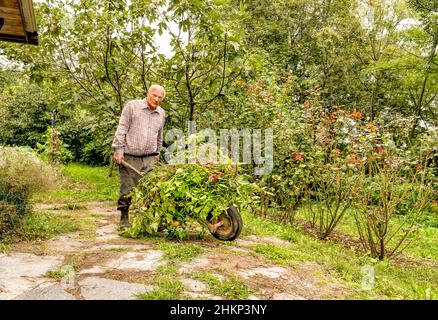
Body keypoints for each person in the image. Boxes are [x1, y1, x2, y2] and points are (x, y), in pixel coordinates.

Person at [112, 84, 166, 228]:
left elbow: (159, 136)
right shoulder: (132, 106)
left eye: (160, 98)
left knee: (152, 188)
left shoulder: (161, 113)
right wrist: (118, 149)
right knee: (127, 188)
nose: (156, 99)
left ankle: (150, 219)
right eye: (154, 95)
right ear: (148, 93)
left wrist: (157, 153)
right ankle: (124, 216)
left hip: (150, 158)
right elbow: (122, 128)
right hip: (130, 156)